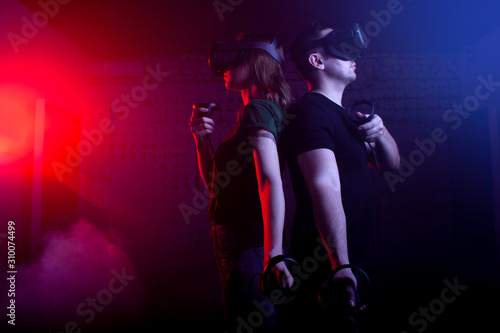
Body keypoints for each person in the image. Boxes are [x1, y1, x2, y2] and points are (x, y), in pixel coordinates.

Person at [280, 22, 400, 331]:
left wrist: (381, 132)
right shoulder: (311, 113)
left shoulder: (344, 116)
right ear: (317, 61)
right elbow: (324, 185)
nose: (352, 56)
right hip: (324, 262)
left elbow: (391, 163)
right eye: (339, 48)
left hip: (348, 257)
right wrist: (340, 265)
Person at [189, 33, 294, 332]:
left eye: (234, 59)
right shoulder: (254, 112)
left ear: (254, 60)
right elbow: (215, 185)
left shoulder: (258, 110)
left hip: (247, 244)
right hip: (241, 244)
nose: (224, 67)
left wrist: (274, 255)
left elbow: (270, 180)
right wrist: (201, 142)